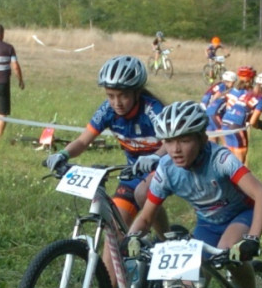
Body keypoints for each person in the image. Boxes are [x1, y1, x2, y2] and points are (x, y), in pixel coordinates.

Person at [124, 100, 262, 288]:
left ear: (202, 139)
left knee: (227, 250)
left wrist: (253, 238)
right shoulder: (166, 169)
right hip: (208, 224)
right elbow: (146, 216)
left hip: (240, 215)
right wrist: (131, 236)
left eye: (184, 140)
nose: (175, 149)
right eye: (169, 141)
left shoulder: (221, 159)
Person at [44, 56, 170, 275]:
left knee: (144, 192)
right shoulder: (108, 110)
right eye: (111, 95)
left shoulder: (152, 109)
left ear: (137, 92)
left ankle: (165, 240)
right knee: (114, 234)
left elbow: (172, 141)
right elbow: (83, 141)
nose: (116, 102)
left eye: (123, 96)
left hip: (163, 168)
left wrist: (156, 156)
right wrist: (63, 154)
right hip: (133, 173)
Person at [207, 65, 262, 164]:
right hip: (225, 119)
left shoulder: (233, 90)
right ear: (250, 79)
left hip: (215, 115)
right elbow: (240, 111)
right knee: (236, 155)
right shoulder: (245, 93)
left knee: (221, 150)